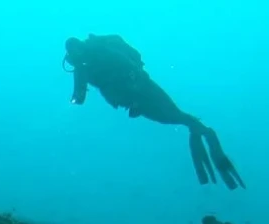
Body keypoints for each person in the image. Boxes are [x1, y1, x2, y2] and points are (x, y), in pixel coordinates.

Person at [63, 34, 245, 190]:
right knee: (175, 117)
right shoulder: (86, 65)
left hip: (140, 92)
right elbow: (80, 95)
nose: (77, 55)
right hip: (138, 95)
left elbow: (125, 67)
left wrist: (133, 96)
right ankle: (201, 133)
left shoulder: (100, 53)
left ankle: (203, 136)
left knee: (174, 116)